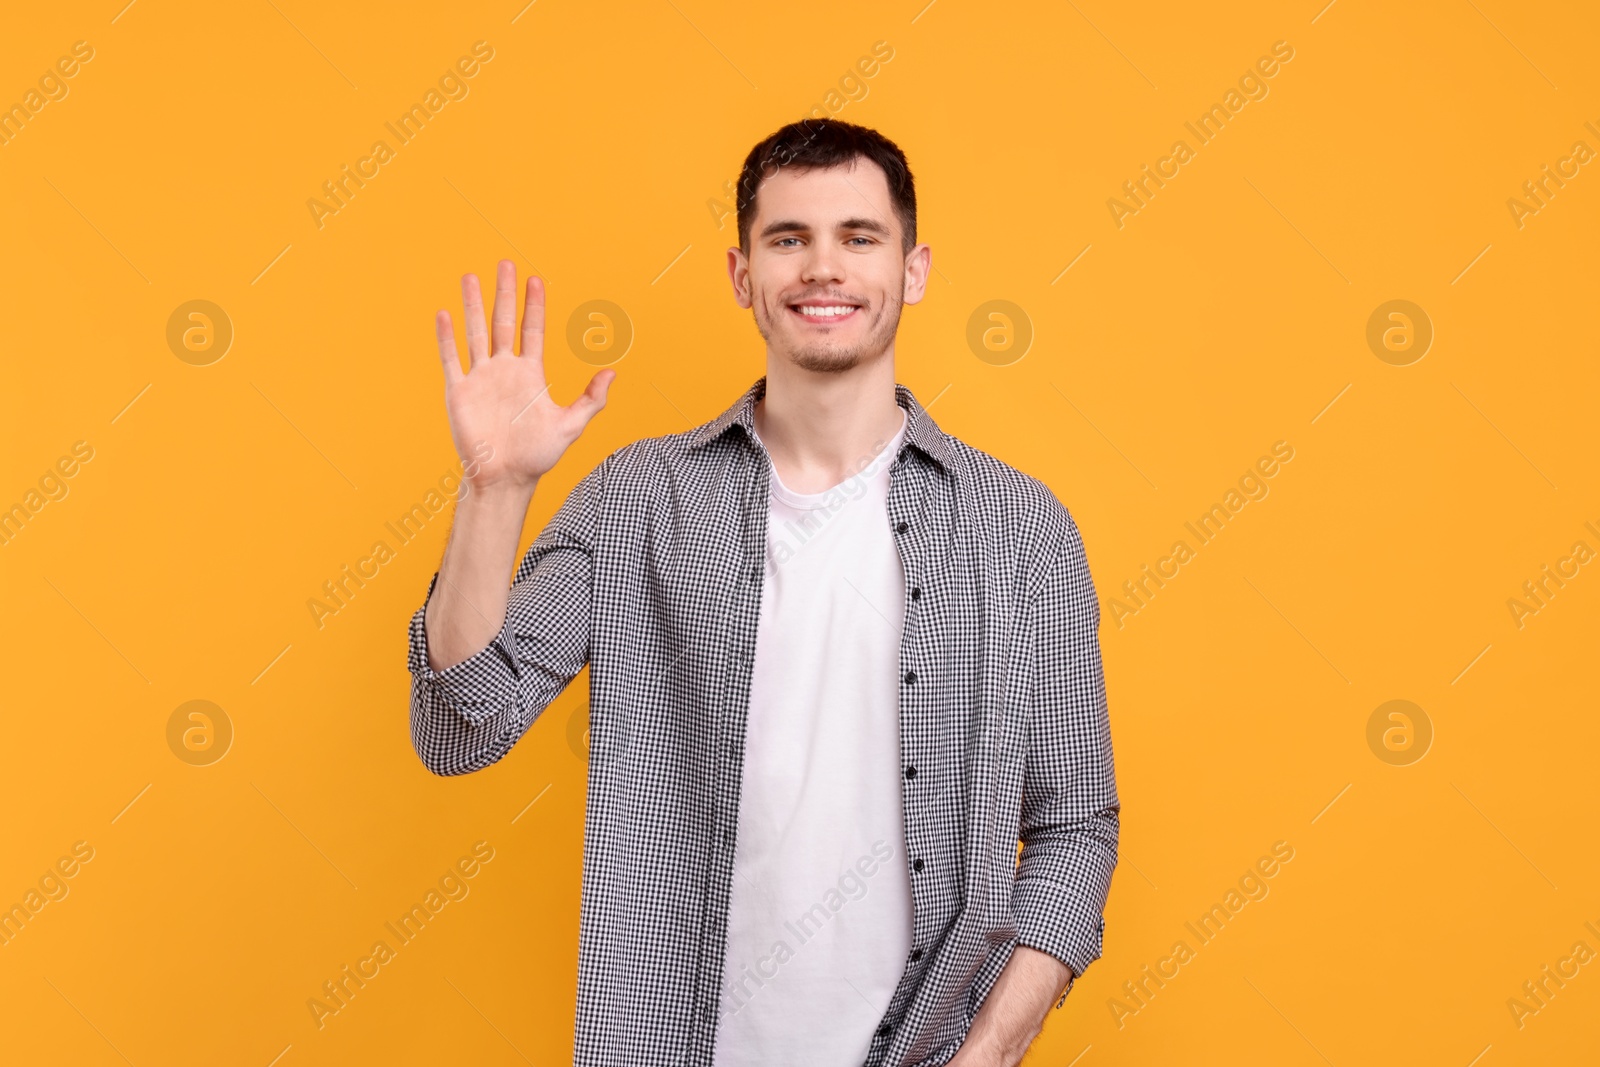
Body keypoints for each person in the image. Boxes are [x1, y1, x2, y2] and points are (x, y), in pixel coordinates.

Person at [407, 118, 1119, 1067]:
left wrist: (985, 1053)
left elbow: (1074, 829)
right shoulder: (642, 501)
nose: (824, 268)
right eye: (789, 239)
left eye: (859, 237)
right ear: (744, 276)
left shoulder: (1019, 530)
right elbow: (462, 725)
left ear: (913, 270)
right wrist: (496, 490)